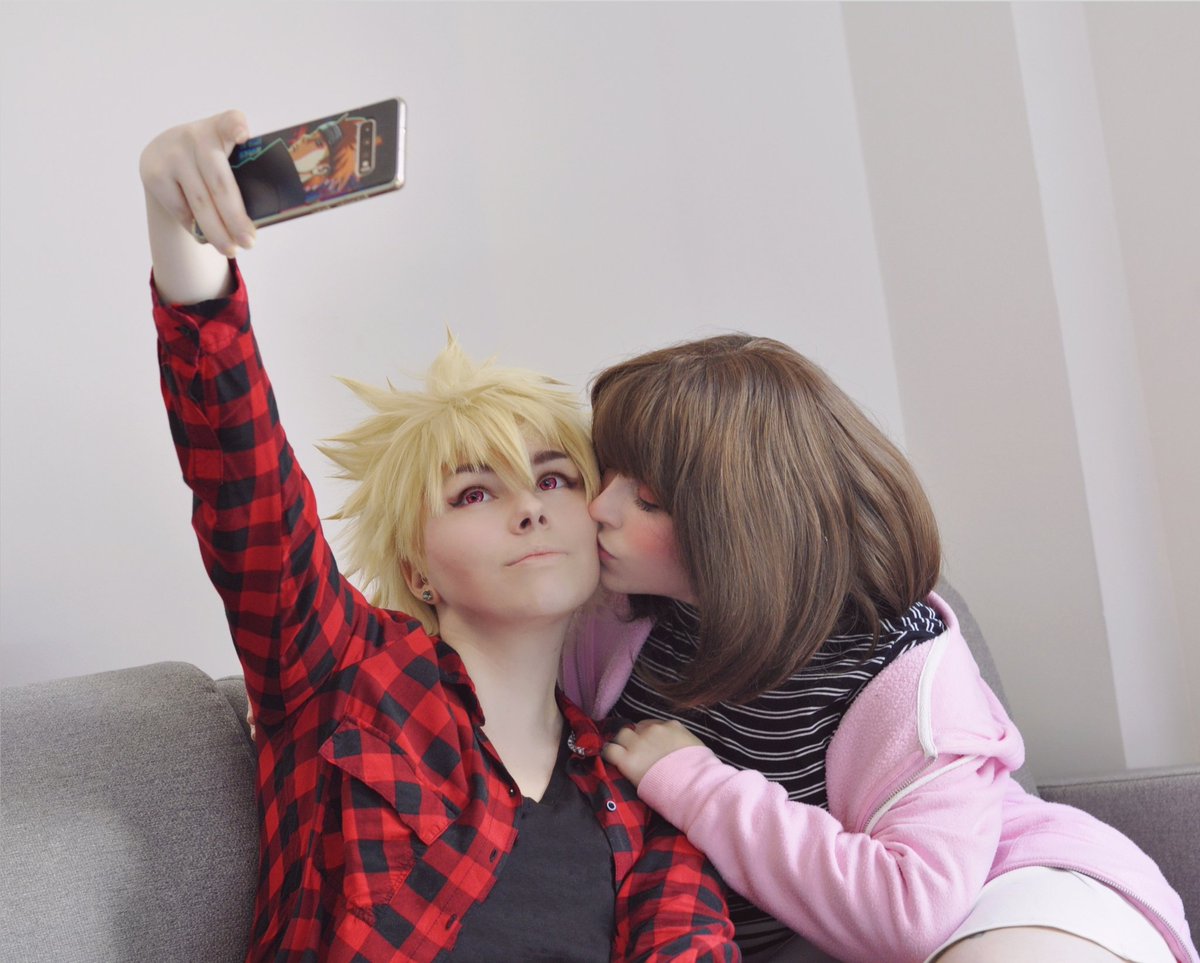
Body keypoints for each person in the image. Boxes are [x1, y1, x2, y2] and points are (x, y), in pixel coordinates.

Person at [139, 109, 739, 963]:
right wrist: (183, 235)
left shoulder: (646, 797)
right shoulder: (345, 675)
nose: (529, 509)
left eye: (555, 479)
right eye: (474, 493)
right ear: (418, 569)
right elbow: (245, 487)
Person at [561, 335, 1198, 963]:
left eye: (647, 498)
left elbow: (909, 912)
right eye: (606, 471)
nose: (599, 507)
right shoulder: (615, 618)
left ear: (743, 524)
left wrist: (698, 787)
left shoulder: (898, 660)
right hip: (812, 934)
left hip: (995, 890)